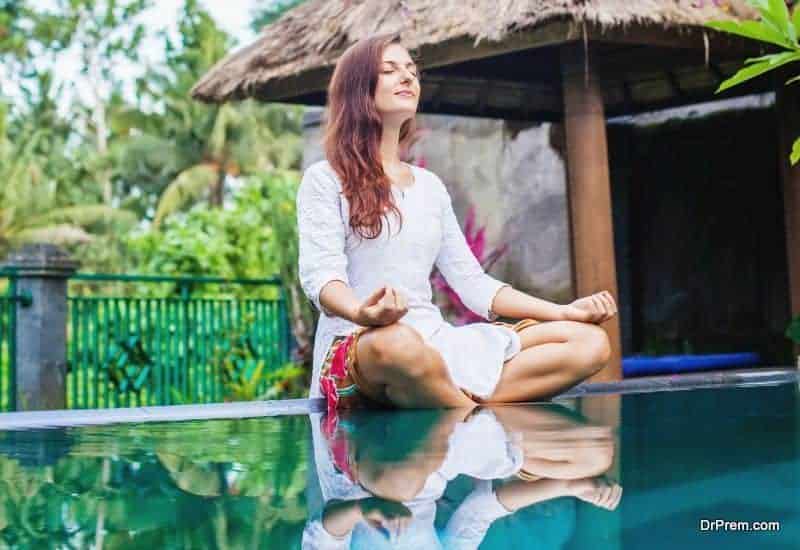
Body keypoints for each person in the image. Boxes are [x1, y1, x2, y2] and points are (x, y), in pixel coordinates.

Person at [297, 33, 617, 413]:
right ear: (358, 90)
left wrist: (563, 311)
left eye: (412, 72)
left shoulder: (429, 187)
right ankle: (473, 423)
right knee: (396, 344)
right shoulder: (326, 179)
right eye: (390, 70)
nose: (407, 78)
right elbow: (322, 279)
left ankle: (451, 404)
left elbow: (474, 285)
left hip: (434, 342)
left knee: (589, 343)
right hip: (365, 345)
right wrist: (363, 313)